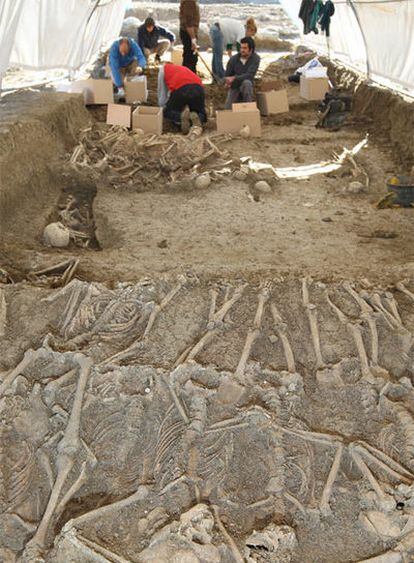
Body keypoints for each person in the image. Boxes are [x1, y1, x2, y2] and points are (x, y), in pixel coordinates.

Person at [158, 63, 207, 134]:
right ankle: (197, 119)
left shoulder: (163, 70)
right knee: (200, 111)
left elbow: (162, 93)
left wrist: (162, 108)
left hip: (181, 89)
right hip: (198, 88)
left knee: (169, 112)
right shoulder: (182, 68)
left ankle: (180, 117)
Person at [224, 36, 260, 109]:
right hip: (235, 85)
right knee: (227, 109)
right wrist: (227, 81)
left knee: (247, 83)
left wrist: (234, 77)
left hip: (246, 85)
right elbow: (227, 75)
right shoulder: (233, 59)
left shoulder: (255, 58)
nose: (242, 50)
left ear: (251, 50)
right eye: (241, 48)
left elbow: (250, 75)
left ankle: (248, 108)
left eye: (245, 48)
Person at [179, 0, 200, 73]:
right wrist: (193, 39)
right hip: (188, 33)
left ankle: (188, 77)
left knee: (190, 57)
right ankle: (188, 78)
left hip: (189, 32)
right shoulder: (189, 2)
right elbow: (188, 22)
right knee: (190, 58)